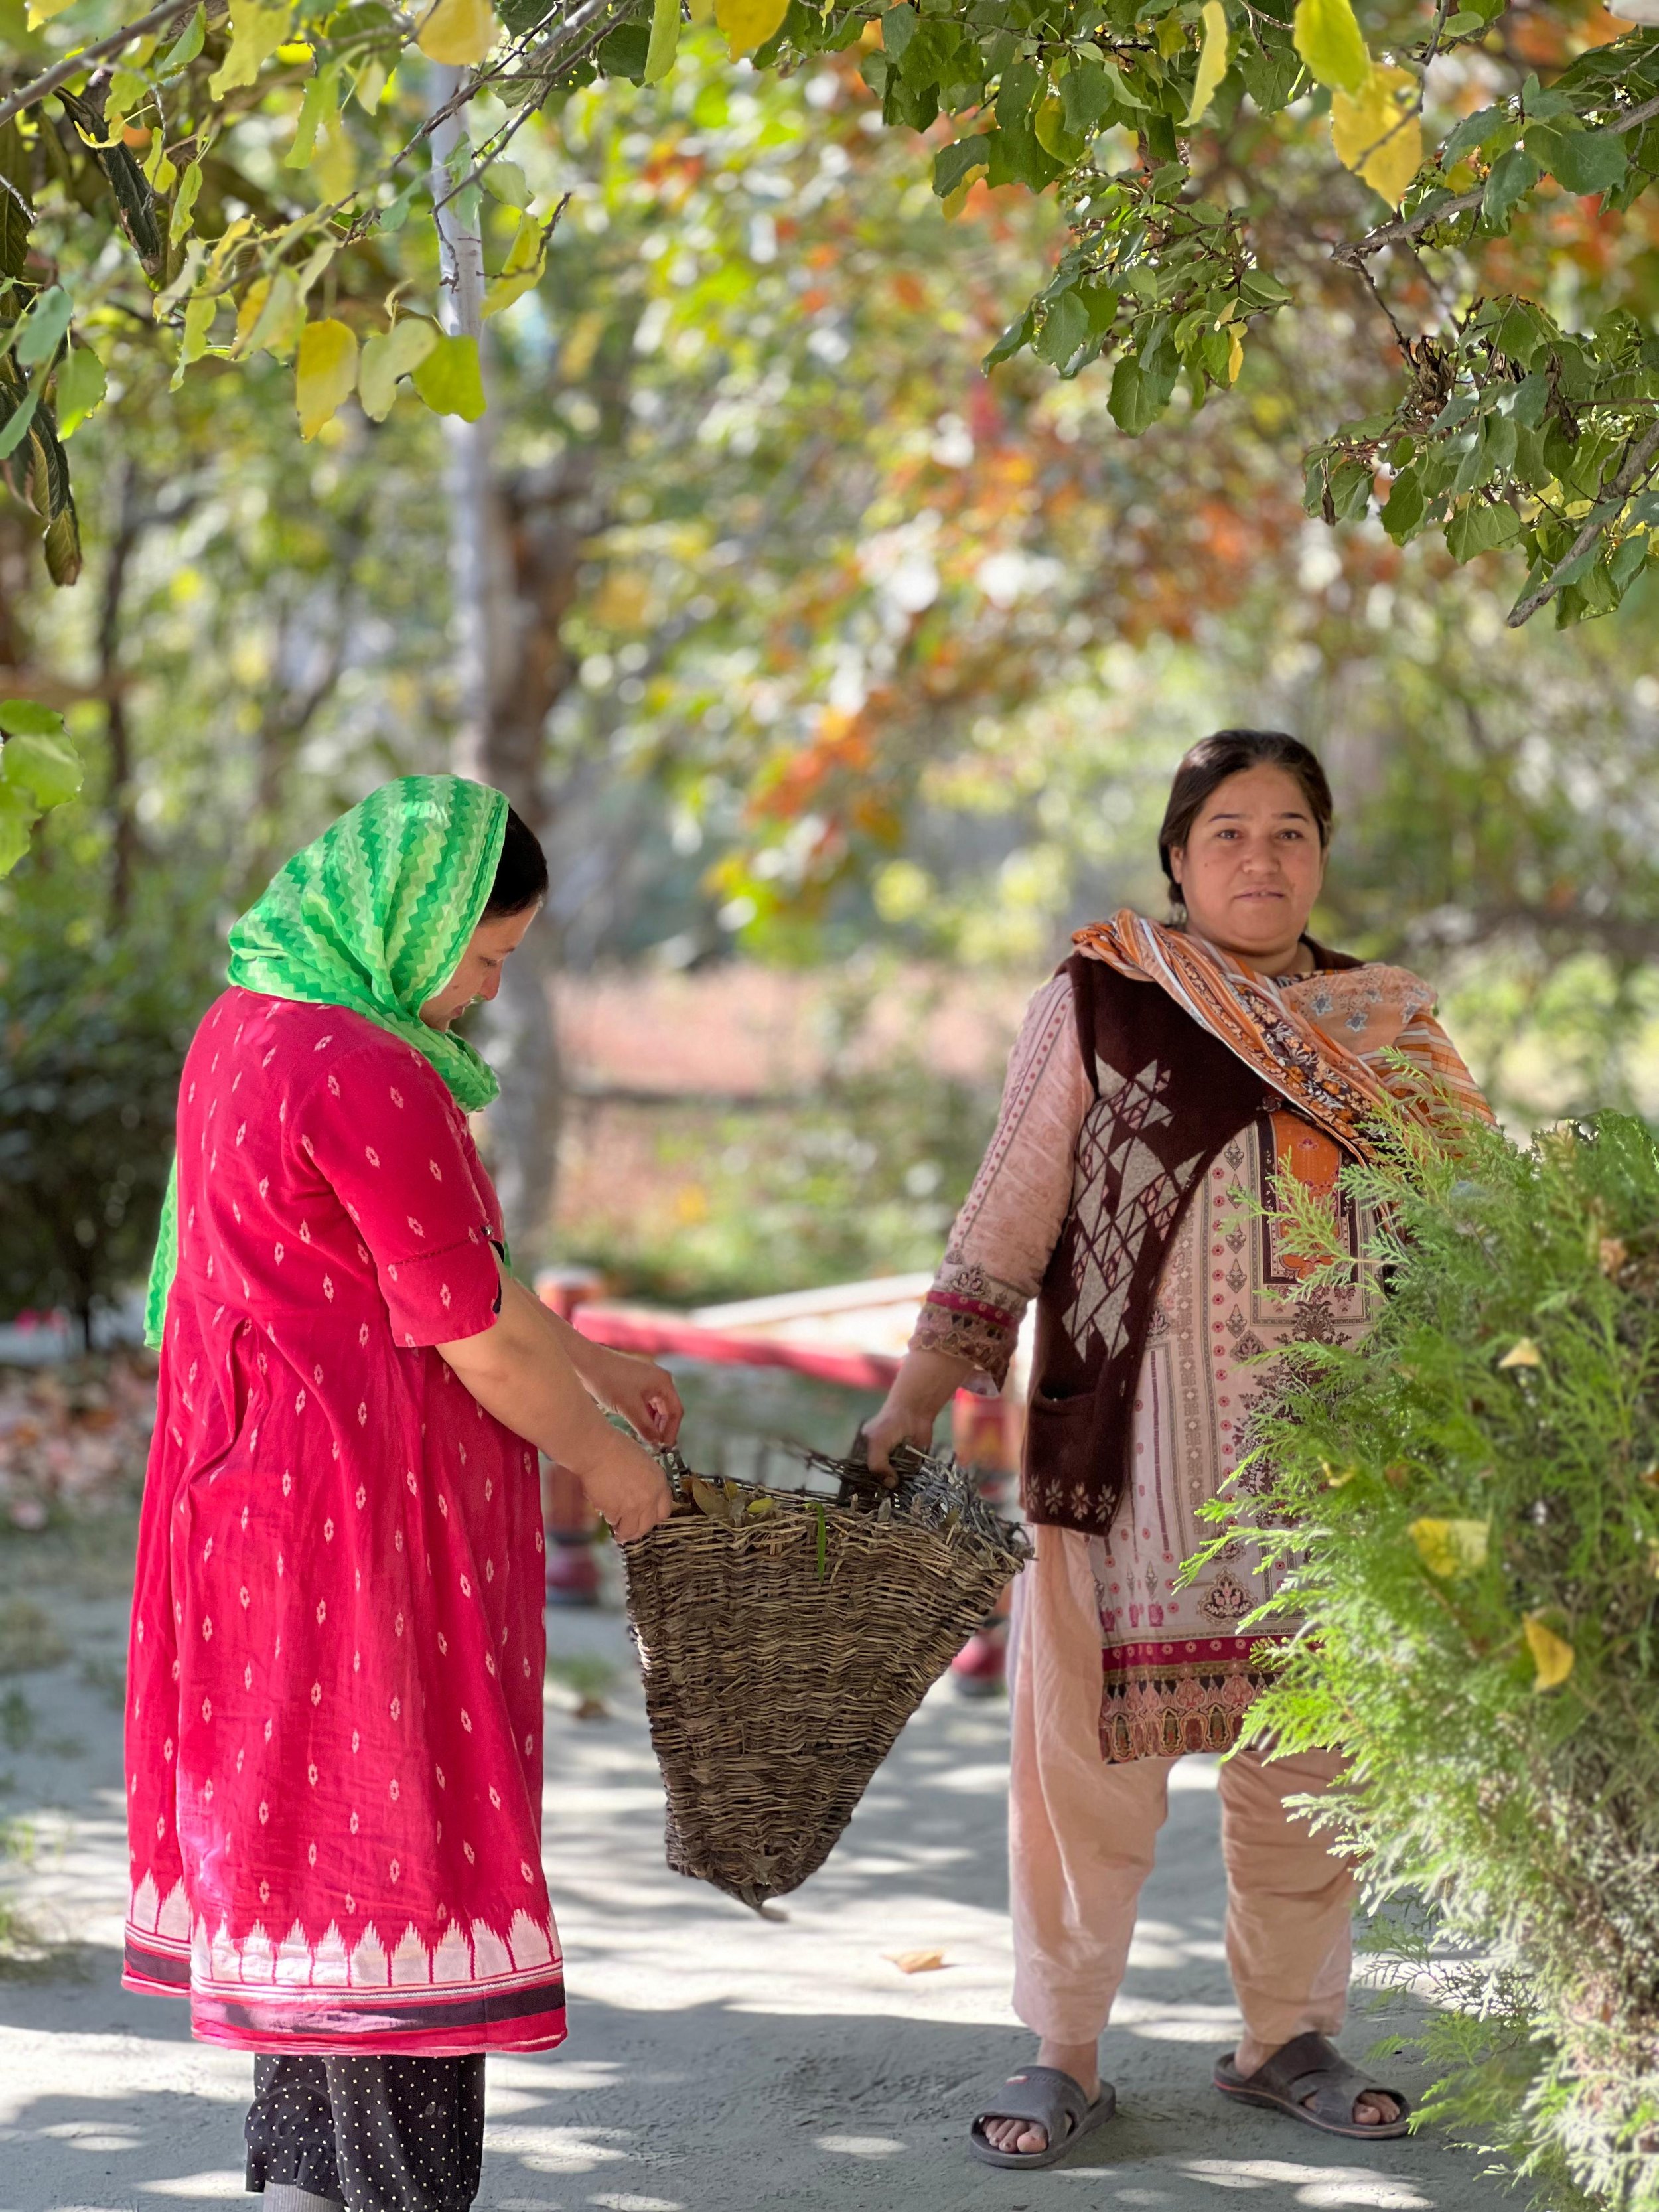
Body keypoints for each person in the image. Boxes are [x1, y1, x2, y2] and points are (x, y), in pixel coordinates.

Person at [863, 731, 1490, 2171]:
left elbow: (1479, 1223)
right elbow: (1007, 1217)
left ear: (1320, 854)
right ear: (1175, 856)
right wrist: (915, 1395)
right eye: (1226, 831)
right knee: (1081, 1767)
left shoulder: (1388, 1027)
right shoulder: (1102, 1000)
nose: (1259, 857)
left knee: (1313, 1766)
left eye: (1287, 831)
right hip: (1125, 1466)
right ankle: (1059, 2047)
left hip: (1334, 1478)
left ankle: (1287, 2035)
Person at [124, 776, 677, 2212]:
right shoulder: (370, 1068)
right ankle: (395, 2194)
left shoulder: (251, 1022)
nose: (489, 989)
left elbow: (457, 1277)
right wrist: (608, 1461)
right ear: (412, 918)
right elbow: (473, 1329)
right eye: (486, 955)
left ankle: (307, 2179)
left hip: (253, 1512)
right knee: (396, 1847)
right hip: (359, 1523)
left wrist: (597, 1358)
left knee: (308, 1842)